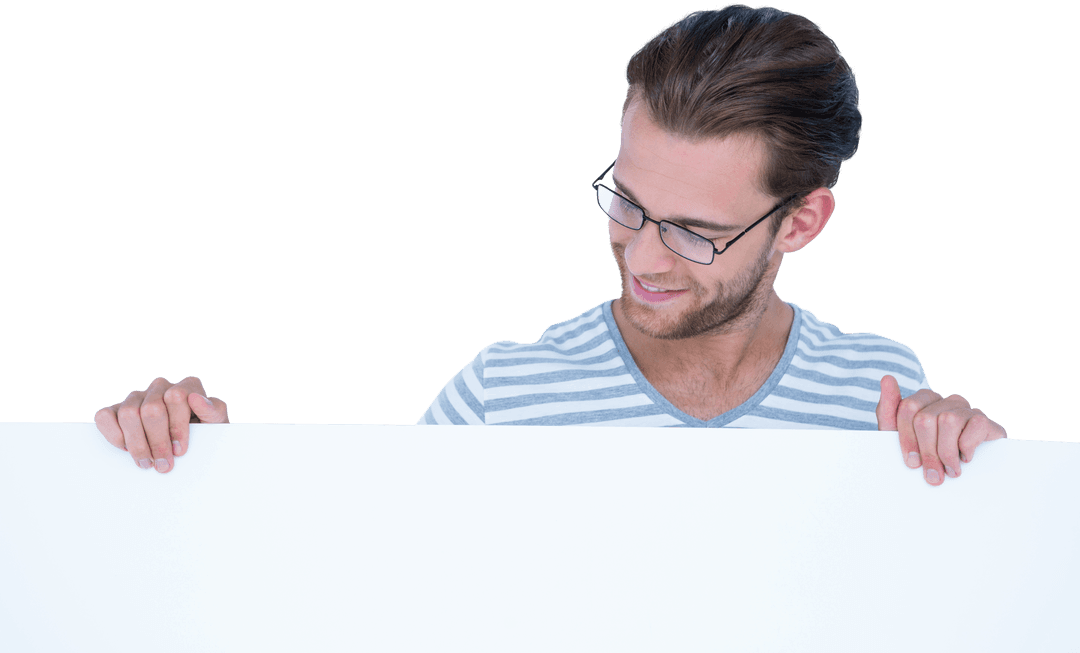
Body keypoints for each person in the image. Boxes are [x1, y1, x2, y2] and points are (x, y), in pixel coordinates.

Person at [94, 5, 1005, 484]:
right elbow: (354, 587)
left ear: (801, 222)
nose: (644, 256)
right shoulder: (500, 393)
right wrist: (196, 469)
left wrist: (991, 486)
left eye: (694, 231)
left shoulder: (879, 396)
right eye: (626, 200)